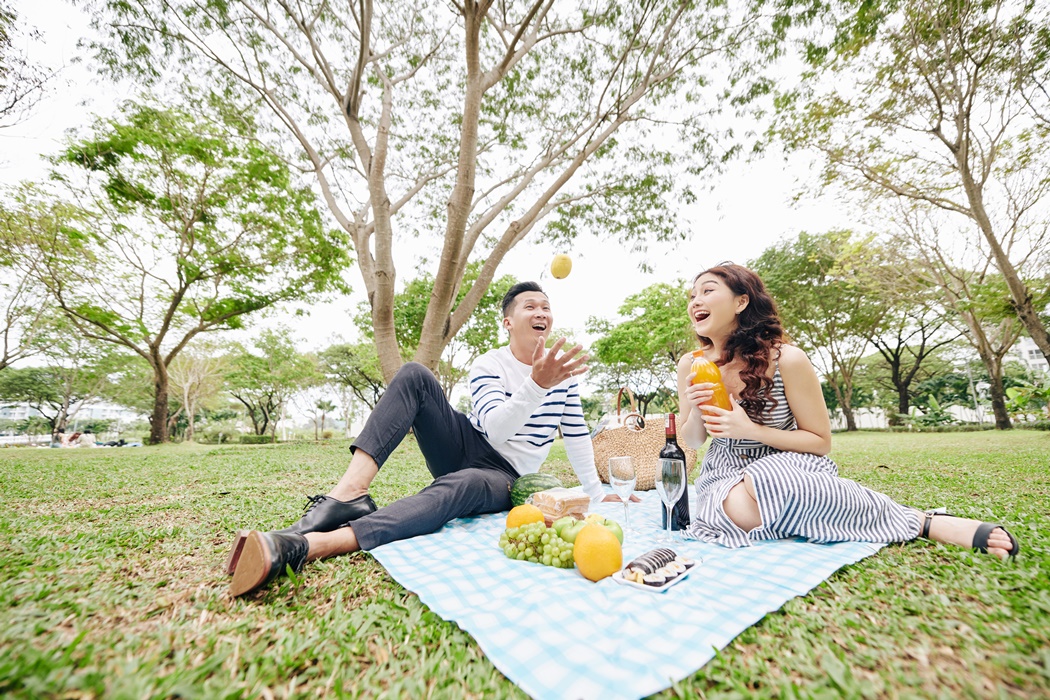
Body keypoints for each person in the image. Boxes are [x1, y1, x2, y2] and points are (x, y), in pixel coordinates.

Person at [227, 281, 624, 597]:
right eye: (530, 305)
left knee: (463, 484)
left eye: (546, 306)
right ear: (508, 321)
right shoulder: (490, 363)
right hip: (466, 442)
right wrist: (535, 385)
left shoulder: (564, 377)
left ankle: (313, 545)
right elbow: (495, 427)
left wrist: (597, 491)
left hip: (505, 475)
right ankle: (349, 494)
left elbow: (575, 435)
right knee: (415, 375)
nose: (541, 312)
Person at [676, 263, 1019, 559]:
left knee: (766, 481)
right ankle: (805, 509)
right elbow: (692, 440)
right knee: (738, 510)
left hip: (789, 461)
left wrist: (751, 431)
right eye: (692, 296)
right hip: (725, 472)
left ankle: (924, 522)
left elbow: (819, 441)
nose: (696, 301)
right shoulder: (690, 365)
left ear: (741, 301)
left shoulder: (787, 359)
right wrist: (693, 405)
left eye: (707, 291)